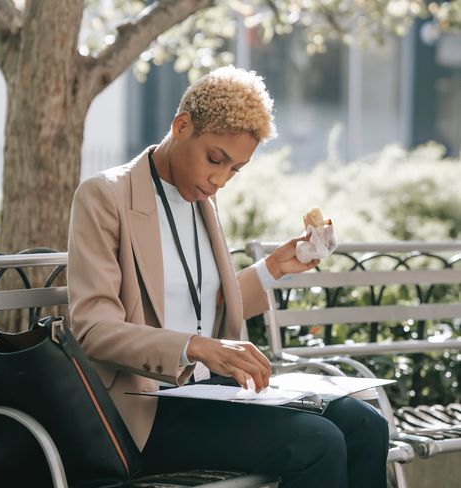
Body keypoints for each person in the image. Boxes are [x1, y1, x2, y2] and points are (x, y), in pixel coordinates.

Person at [67, 66, 388, 488]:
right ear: (181, 126)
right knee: (317, 441)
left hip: (212, 392)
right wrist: (194, 347)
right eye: (215, 159)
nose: (219, 180)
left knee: (367, 423)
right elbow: (92, 329)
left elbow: (203, 307)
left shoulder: (203, 200)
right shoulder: (105, 196)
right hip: (147, 409)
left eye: (235, 169)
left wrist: (273, 269)